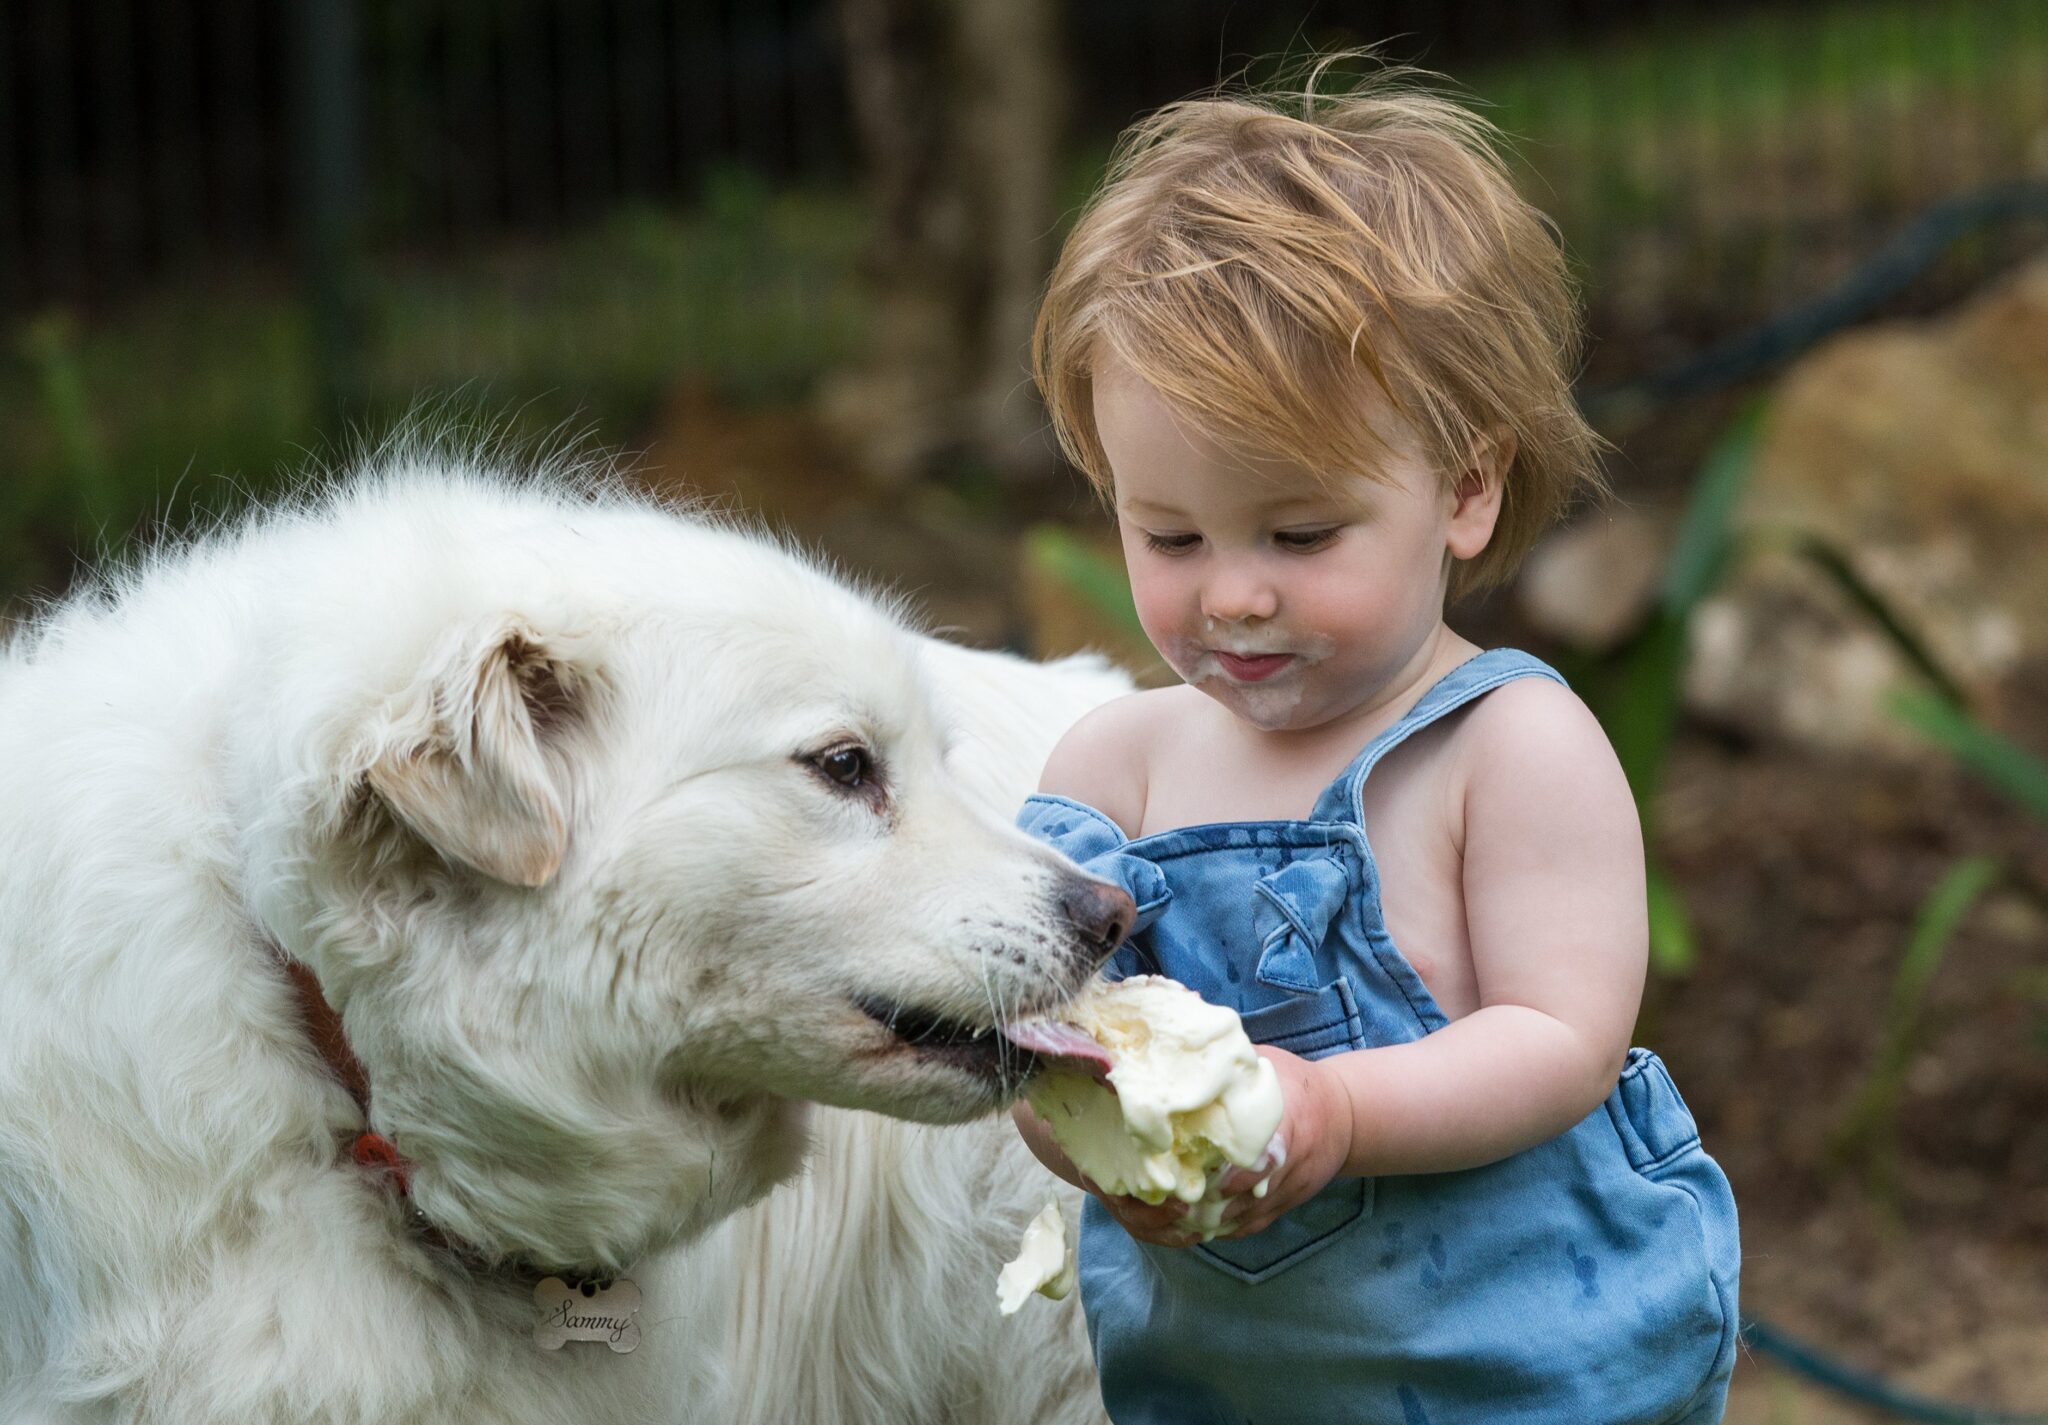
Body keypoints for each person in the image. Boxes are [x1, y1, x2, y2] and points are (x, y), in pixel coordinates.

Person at [1010, 57, 1740, 1425]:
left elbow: (1563, 1035)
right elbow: (1040, 1047)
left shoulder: (1508, 746)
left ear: (1465, 485)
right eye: (1169, 534)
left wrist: (1333, 1114)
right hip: (1219, 1379)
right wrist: (1086, 1131)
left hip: (1526, 1363)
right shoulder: (1113, 769)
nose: (1232, 590)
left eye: (1299, 534)